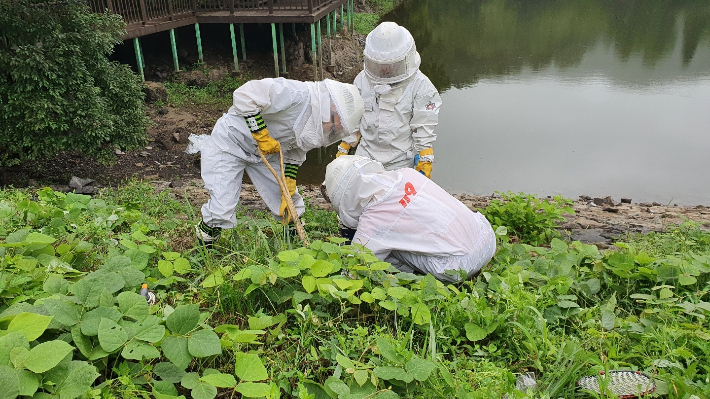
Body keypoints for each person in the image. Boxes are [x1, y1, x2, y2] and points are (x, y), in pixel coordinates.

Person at [196, 78, 364, 247]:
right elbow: (245, 95)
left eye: (336, 129)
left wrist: (289, 182)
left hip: (266, 154)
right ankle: (205, 247)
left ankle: (294, 246)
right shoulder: (295, 94)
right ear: (331, 107)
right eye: (334, 124)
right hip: (231, 142)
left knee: (291, 205)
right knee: (221, 208)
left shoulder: (316, 124)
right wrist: (260, 133)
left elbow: (296, 149)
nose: (331, 129)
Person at [322, 155, 496, 283]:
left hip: (458, 267)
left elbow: (355, 267)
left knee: (385, 247)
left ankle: (401, 278)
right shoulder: (406, 174)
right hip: (486, 236)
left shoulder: (374, 219)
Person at [336, 22, 442, 179]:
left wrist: (425, 159)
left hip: (400, 162)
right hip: (365, 157)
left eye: (390, 66)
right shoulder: (362, 80)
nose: (385, 71)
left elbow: (423, 126)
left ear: (405, 60)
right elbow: (354, 118)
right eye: (380, 66)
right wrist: (344, 147)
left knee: (394, 201)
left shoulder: (421, 86)